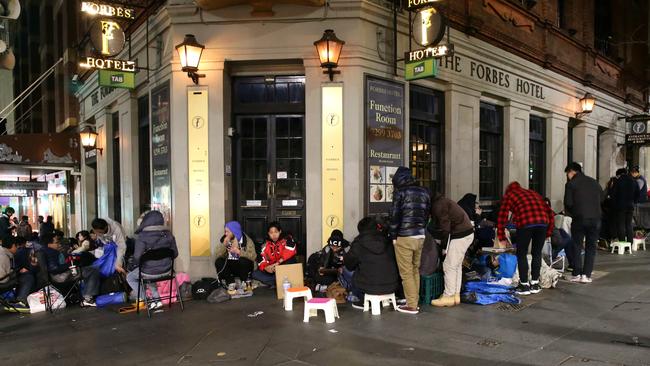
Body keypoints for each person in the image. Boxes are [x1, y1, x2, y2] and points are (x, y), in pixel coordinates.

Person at [497, 182, 554, 296]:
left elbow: (502, 216)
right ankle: (535, 284)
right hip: (542, 223)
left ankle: (524, 285)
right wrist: (548, 232)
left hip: (525, 223)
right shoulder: (533, 193)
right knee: (537, 253)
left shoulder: (510, 195)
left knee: (521, 254)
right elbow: (550, 213)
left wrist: (501, 236)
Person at [389, 166, 431, 314]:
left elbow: (394, 216)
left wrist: (393, 235)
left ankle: (411, 305)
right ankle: (413, 299)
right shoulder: (424, 191)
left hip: (404, 236)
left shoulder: (400, 192)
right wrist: (421, 229)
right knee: (414, 269)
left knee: (406, 272)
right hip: (420, 235)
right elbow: (426, 215)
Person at [125, 211, 179, 311]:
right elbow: (175, 254)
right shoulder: (169, 235)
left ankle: (147, 299)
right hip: (167, 271)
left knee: (130, 277)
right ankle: (157, 300)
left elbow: (137, 257)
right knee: (148, 270)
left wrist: (132, 264)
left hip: (149, 272)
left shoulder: (142, 237)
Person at [429, 193, 475, 307]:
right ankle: (455, 295)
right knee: (456, 265)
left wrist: (444, 247)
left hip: (460, 235)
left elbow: (445, 229)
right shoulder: (443, 201)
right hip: (466, 233)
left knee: (448, 265)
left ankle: (448, 296)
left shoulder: (438, 206)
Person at [344, 217, 399, 309]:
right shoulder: (388, 240)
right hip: (392, 285)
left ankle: (362, 299)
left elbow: (349, 265)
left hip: (367, 287)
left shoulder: (358, 243)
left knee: (346, 270)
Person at [564, 162, 603, 283]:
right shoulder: (594, 182)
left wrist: (573, 213)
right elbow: (602, 198)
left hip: (579, 218)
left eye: (567, 173)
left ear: (571, 171)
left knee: (577, 245)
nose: (567, 176)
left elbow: (568, 203)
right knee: (591, 247)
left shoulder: (571, 184)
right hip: (596, 218)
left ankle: (576, 273)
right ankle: (586, 275)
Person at [41, 233, 101, 307]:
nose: (59, 244)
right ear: (49, 244)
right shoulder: (51, 252)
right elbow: (54, 269)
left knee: (88, 269)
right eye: (56, 243)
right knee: (92, 270)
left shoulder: (47, 251)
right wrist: (71, 264)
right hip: (61, 276)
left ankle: (85, 296)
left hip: (59, 275)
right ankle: (88, 299)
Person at [251, 222, 296, 287]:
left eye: (276, 232)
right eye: (271, 233)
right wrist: (266, 268)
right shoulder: (265, 245)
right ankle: (277, 282)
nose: (274, 235)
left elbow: (290, 251)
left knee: (290, 261)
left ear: (280, 231)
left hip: (284, 266)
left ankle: (276, 282)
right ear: (268, 234)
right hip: (274, 271)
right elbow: (261, 260)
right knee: (255, 274)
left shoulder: (287, 239)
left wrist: (277, 263)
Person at [611, 168, 639, 243]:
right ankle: (630, 243)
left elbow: (613, 194)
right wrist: (633, 202)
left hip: (620, 206)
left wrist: (615, 204)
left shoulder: (618, 181)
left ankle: (622, 243)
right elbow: (637, 194)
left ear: (619, 175)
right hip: (630, 206)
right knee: (629, 224)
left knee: (621, 225)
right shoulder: (634, 181)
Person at [12, 236, 39, 306]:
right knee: (28, 277)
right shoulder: (30, 251)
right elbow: (34, 267)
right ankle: (21, 299)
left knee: (27, 277)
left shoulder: (14, 252)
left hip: (14, 275)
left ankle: (20, 299)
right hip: (19, 275)